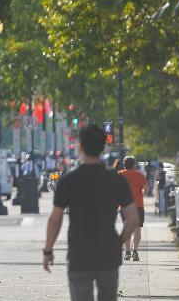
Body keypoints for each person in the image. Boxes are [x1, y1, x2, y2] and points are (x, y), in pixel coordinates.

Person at [43, 124, 138, 301]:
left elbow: (55, 220)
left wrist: (48, 251)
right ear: (103, 148)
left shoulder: (68, 181)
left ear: (80, 147)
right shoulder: (117, 180)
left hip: (80, 255)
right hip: (108, 254)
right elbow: (133, 219)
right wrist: (118, 242)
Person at [118, 156, 147, 260]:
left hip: (124, 206)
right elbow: (146, 190)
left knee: (126, 228)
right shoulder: (140, 175)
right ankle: (135, 251)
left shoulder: (120, 174)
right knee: (137, 228)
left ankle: (127, 251)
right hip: (138, 205)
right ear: (134, 164)